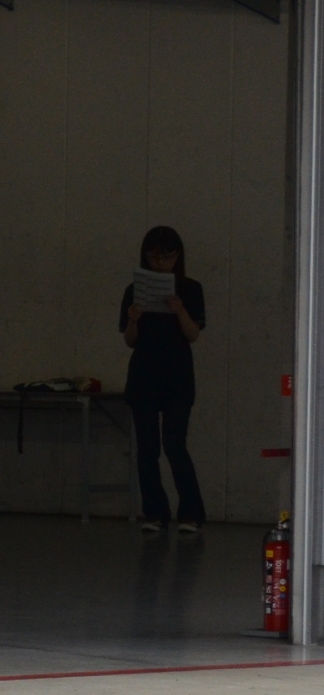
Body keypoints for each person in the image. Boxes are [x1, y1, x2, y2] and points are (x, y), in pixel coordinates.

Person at [120, 224, 207, 534]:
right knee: (147, 450)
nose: (161, 264)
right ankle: (155, 513)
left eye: (167, 257)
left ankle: (191, 513)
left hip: (177, 377)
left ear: (178, 256)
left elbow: (193, 334)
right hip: (144, 374)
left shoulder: (191, 289)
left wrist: (180, 310)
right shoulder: (134, 291)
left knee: (175, 446)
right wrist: (133, 320)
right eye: (154, 258)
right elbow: (130, 340)